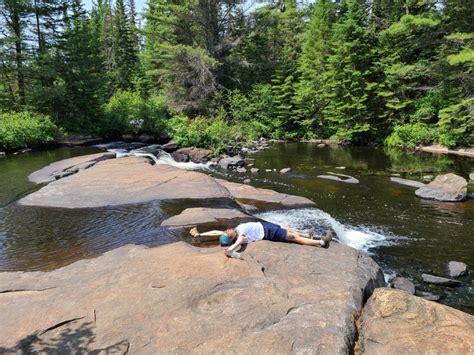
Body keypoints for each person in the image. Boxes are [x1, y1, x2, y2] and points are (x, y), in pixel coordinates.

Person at [190, 221, 333, 259]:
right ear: (231, 237)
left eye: (226, 231)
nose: (227, 230)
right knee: (295, 238)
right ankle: (321, 243)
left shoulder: (236, 230)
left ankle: (308, 235)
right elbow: (239, 243)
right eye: (227, 233)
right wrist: (230, 250)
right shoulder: (241, 235)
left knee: (288, 228)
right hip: (269, 233)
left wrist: (200, 234)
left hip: (265, 226)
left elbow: (216, 232)